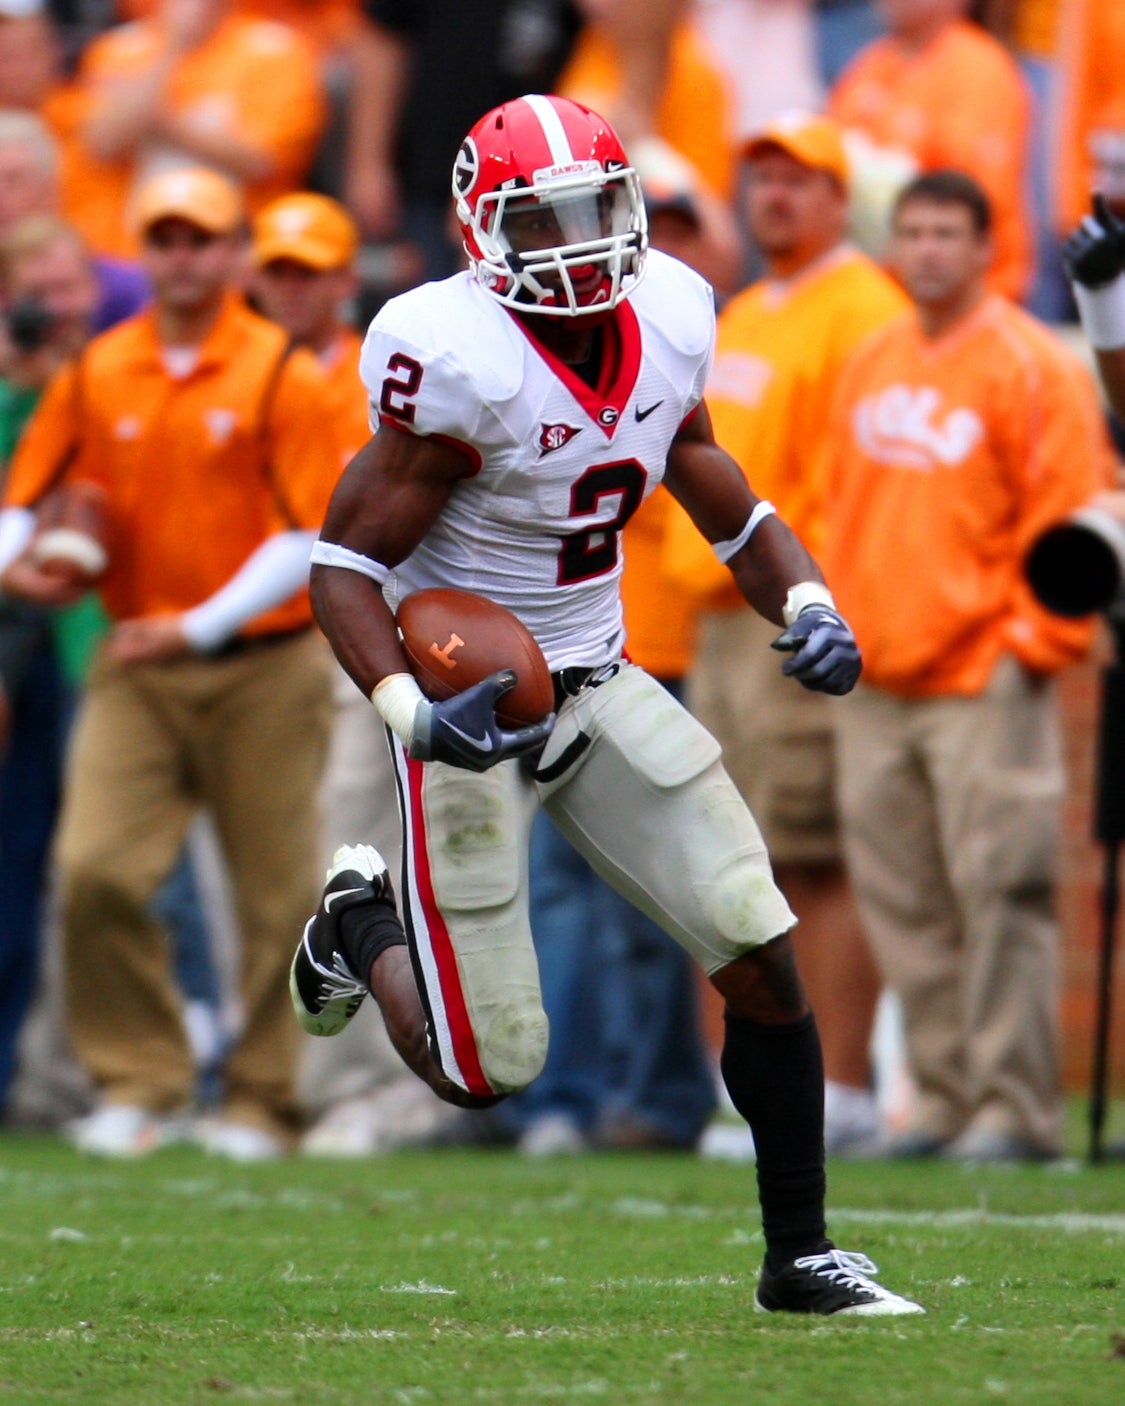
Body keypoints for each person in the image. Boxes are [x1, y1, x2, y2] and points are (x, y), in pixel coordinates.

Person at [290, 92, 922, 1315]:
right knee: (490, 1070)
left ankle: (799, 1256)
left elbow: (705, 472)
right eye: (542, 219)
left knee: (759, 945)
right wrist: (416, 713)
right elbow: (347, 570)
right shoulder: (453, 357)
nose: (576, 243)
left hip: (598, 674)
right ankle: (359, 924)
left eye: (593, 210)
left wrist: (806, 603)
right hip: (466, 693)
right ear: (479, 227)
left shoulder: (677, 310)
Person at [0, 166, 342, 1160]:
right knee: (93, 868)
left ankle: (261, 1100)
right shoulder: (98, 368)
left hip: (262, 657)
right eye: (165, 239)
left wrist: (196, 624)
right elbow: (27, 494)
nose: (183, 257)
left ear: (236, 253)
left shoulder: (282, 369)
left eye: (202, 239)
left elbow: (304, 535)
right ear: (143, 253)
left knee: (275, 892)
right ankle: (141, 1078)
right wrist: (19, 569)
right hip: (135, 656)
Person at [822, 169, 1116, 1163]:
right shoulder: (867, 360)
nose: (929, 248)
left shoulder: (1034, 364)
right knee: (905, 900)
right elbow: (838, 513)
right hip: (879, 674)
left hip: (986, 671)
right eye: (912, 231)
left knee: (1005, 892)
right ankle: (941, 1097)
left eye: (948, 231)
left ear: (987, 246)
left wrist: (1030, 645)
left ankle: (1014, 1107)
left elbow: (1078, 510)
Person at [664, 111, 910, 1155]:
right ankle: (746, 1086)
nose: (775, 195)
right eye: (759, 176)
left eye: (799, 179)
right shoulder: (749, 308)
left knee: (811, 853)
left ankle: (842, 1081)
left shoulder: (865, 308)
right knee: (707, 854)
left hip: (788, 616)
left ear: (838, 196)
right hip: (713, 621)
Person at [246, 188, 464, 1156]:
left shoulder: (389, 363)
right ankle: (320, 1084)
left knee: (405, 858)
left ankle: (402, 1082)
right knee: (315, 862)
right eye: (279, 270)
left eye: (310, 270)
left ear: (346, 278)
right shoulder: (247, 369)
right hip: (285, 645)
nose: (293, 288)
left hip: (385, 638)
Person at [68, 0, 327, 256]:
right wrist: (174, 46)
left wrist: (162, 122)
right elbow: (100, 144)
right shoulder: (119, 47)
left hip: (238, 246)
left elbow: (265, 161)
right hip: (130, 248)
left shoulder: (275, 49)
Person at [828, 0, 1033, 302]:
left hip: (970, 300)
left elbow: (972, 199)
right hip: (879, 297)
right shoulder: (870, 64)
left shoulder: (979, 68)